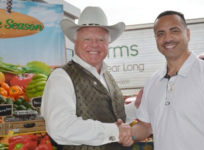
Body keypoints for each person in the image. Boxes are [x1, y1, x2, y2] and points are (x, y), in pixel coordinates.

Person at [120, 10, 204, 150]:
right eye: (160, 34)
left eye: (174, 31)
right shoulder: (153, 81)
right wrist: (127, 134)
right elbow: (146, 126)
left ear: (188, 34)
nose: (167, 38)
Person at [41, 6, 135, 150]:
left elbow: (113, 115)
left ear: (108, 44)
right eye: (87, 39)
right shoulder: (61, 77)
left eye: (101, 39)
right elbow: (60, 127)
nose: (94, 45)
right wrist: (115, 132)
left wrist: (137, 107)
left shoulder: (107, 76)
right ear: (75, 41)